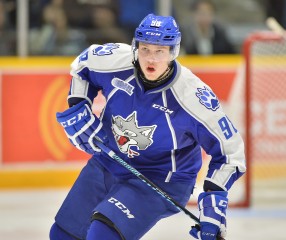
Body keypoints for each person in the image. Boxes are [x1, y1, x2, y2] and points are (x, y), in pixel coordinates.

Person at [51, 13, 246, 240]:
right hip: (109, 160)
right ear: (135, 47)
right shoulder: (116, 61)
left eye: (159, 51)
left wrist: (214, 200)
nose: (151, 59)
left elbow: (231, 152)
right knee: (63, 234)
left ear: (173, 52)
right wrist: (80, 105)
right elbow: (82, 67)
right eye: (145, 49)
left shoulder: (192, 97)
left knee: (102, 234)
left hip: (161, 179)